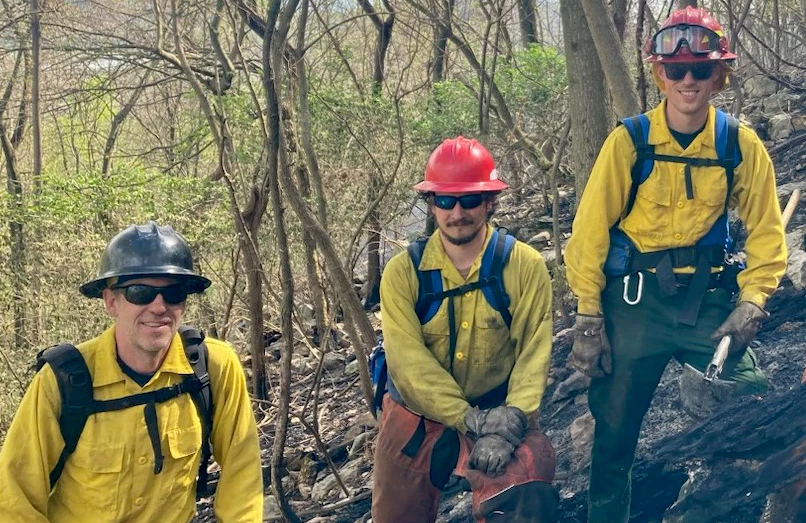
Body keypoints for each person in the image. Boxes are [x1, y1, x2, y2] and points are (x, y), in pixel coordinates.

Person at [564, 7, 787, 523]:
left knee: (754, 404)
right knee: (613, 434)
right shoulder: (630, 142)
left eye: (701, 70)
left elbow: (768, 235)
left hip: (707, 301)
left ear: (720, 75)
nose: (688, 81)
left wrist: (753, 302)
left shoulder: (740, 145)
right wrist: (589, 315)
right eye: (676, 70)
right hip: (634, 303)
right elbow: (590, 232)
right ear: (659, 74)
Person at [0, 221, 263, 522]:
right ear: (111, 301)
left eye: (174, 292)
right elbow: (14, 498)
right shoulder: (63, 382)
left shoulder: (211, 368)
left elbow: (242, 476)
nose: (159, 306)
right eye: (140, 293)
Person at [372, 136, 557, 523]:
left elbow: (533, 354)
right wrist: (469, 419)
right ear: (432, 204)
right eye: (445, 200)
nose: (458, 212)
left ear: (490, 201)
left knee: (527, 489)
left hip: (501, 410)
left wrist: (509, 422)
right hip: (416, 418)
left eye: (470, 200)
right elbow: (408, 365)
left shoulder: (524, 266)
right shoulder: (403, 274)